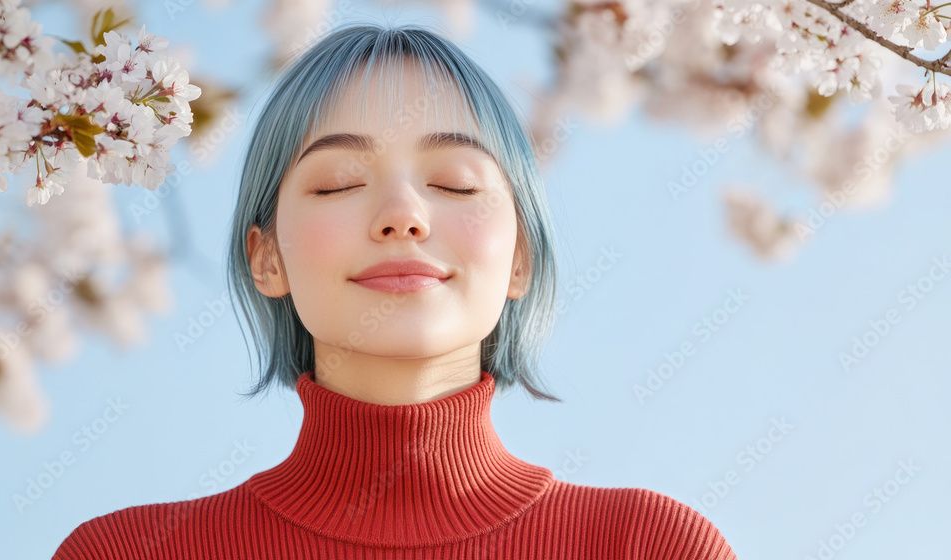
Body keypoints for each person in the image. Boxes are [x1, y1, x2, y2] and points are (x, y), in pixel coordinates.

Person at [53, 22, 737, 559]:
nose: (403, 214)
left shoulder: (648, 546)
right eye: (339, 183)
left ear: (520, 259)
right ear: (266, 260)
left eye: (455, 184)